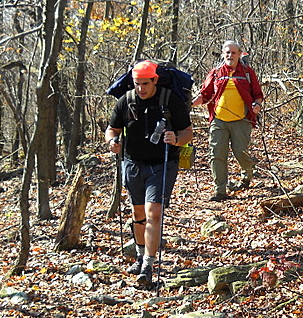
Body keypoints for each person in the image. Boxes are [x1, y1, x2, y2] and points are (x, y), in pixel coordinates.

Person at [105, 60, 193, 283]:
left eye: (145, 83)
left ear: (154, 80)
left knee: (154, 213)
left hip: (162, 164)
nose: (141, 88)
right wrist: (112, 142)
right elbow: (112, 129)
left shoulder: (169, 100)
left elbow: (187, 133)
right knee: (138, 215)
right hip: (133, 163)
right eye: (137, 84)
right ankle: (140, 255)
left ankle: (148, 265)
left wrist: (176, 140)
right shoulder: (126, 101)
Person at [192, 40, 263, 201]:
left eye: (233, 52)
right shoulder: (216, 72)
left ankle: (247, 174)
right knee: (217, 154)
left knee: (241, 152)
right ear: (223, 54)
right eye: (227, 52)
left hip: (241, 120)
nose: (230, 55)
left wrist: (257, 105)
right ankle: (220, 190)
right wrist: (189, 104)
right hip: (219, 121)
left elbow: (258, 94)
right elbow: (205, 95)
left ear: (239, 54)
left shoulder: (247, 72)